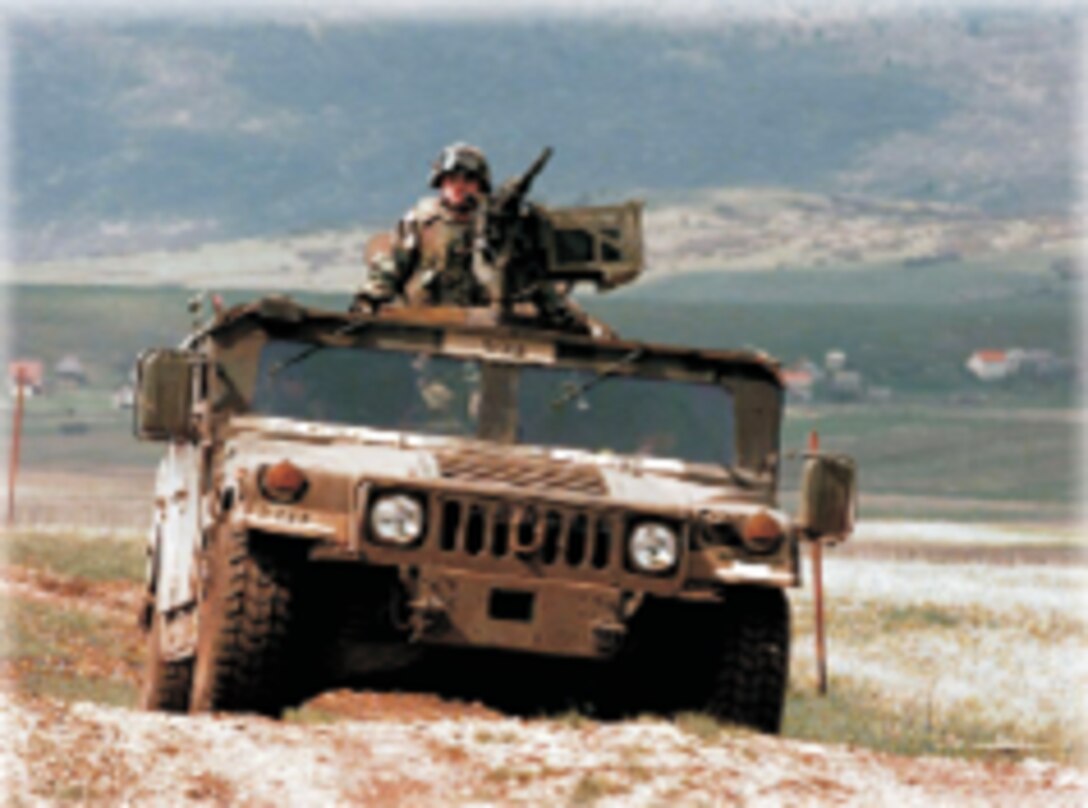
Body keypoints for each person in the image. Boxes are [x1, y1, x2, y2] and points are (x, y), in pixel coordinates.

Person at [358, 142, 493, 308]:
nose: (460, 186)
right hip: (424, 320)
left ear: (480, 185)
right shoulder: (421, 221)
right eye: (452, 179)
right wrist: (369, 301)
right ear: (441, 182)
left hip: (481, 324)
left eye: (468, 180)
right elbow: (390, 267)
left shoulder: (494, 226)